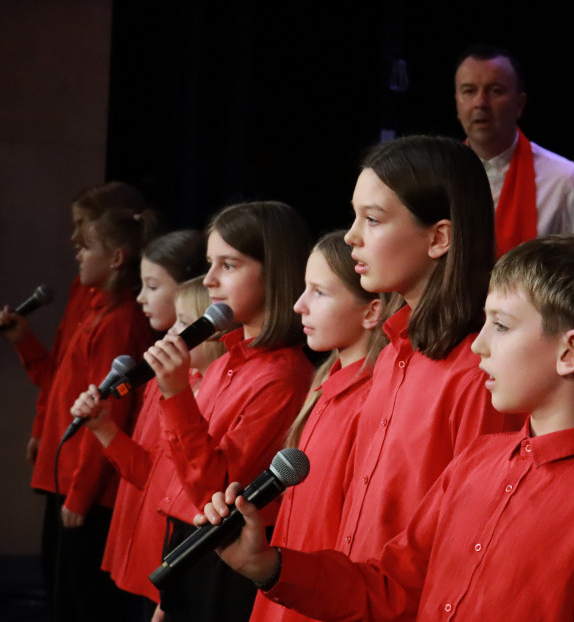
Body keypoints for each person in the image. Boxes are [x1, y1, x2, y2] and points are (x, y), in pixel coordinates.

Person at [200, 234, 574, 622]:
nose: (480, 344)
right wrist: (267, 564)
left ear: (569, 352)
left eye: (501, 326)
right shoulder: (476, 461)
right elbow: (392, 588)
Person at [333, 135, 515, 565]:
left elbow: (470, 540)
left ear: (439, 238)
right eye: (355, 217)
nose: (350, 237)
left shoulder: (480, 372)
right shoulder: (395, 351)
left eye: (373, 220)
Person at [141, 201, 313, 622]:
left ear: (274, 271)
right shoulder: (225, 361)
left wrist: (177, 392)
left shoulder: (284, 377)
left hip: (225, 554)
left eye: (229, 265)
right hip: (189, 543)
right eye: (209, 264)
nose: (210, 280)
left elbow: (216, 492)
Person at [0, 205, 156, 621]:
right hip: (66, 475)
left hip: (87, 485)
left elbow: (110, 412)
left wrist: (82, 492)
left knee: (83, 600)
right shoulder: (93, 313)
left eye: (86, 247)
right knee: (61, 589)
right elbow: (59, 384)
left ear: (117, 258)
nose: (78, 255)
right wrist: (24, 341)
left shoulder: (120, 322)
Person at [250, 230, 388, 622]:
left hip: (321, 600)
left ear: (371, 311)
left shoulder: (371, 402)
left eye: (319, 293)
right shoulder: (325, 386)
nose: (298, 306)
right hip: (288, 590)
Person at [69, 230, 208, 618]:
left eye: (151, 286)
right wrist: (103, 428)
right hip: (138, 533)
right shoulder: (165, 374)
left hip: (163, 550)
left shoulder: (192, 385)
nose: (141, 298)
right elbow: (150, 471)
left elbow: (171, 479)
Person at [454, 45, 574, 256]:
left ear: (519, 104)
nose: (480, 103)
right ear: (457, 102)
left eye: (495, 91)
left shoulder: (565, 180)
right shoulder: (438, 175)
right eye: (469, 91)